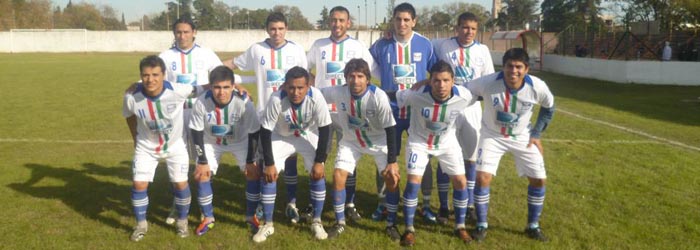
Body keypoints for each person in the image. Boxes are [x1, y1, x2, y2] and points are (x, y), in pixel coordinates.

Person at [224, 12, 309, 224]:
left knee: (290, 159)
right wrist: (219, 76)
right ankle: (263, 203)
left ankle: (291, 203)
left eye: (280, 28)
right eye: (273, 28)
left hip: (290, 113)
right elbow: (232, 65)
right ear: (267, 29)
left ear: (286, 28)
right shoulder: (256, 49)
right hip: (264, 115)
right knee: (264, 161)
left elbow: (306, 80)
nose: (276, 32)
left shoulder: (296, 50)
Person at [467, 48, 555, 242]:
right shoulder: (488, 82)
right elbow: (464, 90)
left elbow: (549, 107)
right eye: (509, 66)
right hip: (492, 135)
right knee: (482, 178)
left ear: (527, 69)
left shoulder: (537, 86)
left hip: (522, 137)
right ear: (503, 67)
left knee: (539, 179)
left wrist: (537, 133)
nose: (513, 71)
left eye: (518, 67)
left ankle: (532, 226)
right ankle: (481, 225)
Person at [392, 60, 477, 246]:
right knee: (413, 182)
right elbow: (392, 96)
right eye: (436, 80)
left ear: (453, 81)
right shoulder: (415, 94)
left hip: (447, 143)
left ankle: (460, 226)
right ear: (430, 81)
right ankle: (409, 229)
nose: (441, 85)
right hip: (419, 143)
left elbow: (482, 94)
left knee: (461, 181)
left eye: (446, 80)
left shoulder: (463, 95)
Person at [306, 5, 377, 223]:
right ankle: (314, 202)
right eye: (333, 20)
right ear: (329, 22)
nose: (337, 24)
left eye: (341, 20)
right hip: (323, 114)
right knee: (317, 157)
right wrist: (314, 94)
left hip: (348, 113)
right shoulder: (319, 45)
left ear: (348, 23)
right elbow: (306, 71)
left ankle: (349, 203)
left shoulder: (358, 47)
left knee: (348, 158)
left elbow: (370, 74)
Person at [368, 2, 437, 222]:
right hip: (390, 111)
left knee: (423, 158)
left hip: (418, 111)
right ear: (393, 21)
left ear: (414, 21)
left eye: (407, 19)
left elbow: (437, 70)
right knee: (385, 159)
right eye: (398, 19)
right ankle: (385, 204)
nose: (402, 23)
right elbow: (365, 65)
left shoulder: (425, 44)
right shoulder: (382, 44)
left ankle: (425, 205)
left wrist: (427, 80)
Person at [123, 55, 203, 241]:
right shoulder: (131, 97)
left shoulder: (178, 90)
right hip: (146, 146)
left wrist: (235, 87)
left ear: (164, 75)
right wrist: (135, 137)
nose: (150, 79)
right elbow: (129, 116)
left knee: (180, 184)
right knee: (139, 184)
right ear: (140, 76)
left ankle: (182, 222)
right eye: (146, 75)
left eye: (155, 74)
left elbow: (203, 89)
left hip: (175, 146)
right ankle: (141, 224)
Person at [319, 59, 400, 240]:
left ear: (368, 79)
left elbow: (390, 129)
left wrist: (392, 162)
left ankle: (391, 224)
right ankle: (340, 223)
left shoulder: (378, 96)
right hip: (351, 141)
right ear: (346, 78)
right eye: (351, 76)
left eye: (360, 76)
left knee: (392, 178)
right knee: (338, 175)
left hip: (379, 142)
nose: (356, 81)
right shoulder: (338, 92)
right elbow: (314, 94)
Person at [158, 17, 228, 226]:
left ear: (194, 32)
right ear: (174, 34)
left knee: (202, 157)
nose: (182, 36)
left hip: (202, 115)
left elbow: (222, 77)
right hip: (175, 115)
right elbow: (155, 81)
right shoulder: (165, 56)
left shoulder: (206, 54)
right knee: (176, 159)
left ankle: (202, 204)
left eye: (186, 32)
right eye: (178, 32)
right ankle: (178, 203)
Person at [254, 67, 332, 242]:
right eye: (291, 88)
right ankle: (267, 224)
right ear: (285, 86)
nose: (295, 92)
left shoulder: (316, 96)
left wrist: (320, 161)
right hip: (280, 136)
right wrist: (269, 163)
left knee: (318, 173)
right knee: (269, 175)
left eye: (300, 88)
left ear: (308, 86)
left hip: (306, 134)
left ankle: (317, 221)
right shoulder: (276, 98)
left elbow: (325, 129)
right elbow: (265, 131)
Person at [431, 12, 495, 224]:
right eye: (465, 27)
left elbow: (488, 81)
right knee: (444, 158)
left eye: (473, 29)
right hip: (447, 109)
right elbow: (416, 42)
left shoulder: (482, 50)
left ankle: (467, 205)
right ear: (457, 27)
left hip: (472, 110)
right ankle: (442, 206)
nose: (469, 32)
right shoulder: (442, 45)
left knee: (470, 159)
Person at [188, 66, 261, 236]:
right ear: (211, 86)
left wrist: (250, 161)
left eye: (226, 87)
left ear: (233, 86)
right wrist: (202, 161)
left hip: (240, 141)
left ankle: (252, 216)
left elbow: (253, 132)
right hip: (211, 142)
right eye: (217, 87)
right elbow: (196, 133)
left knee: (253, 173)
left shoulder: (244, 102)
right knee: (201, 174)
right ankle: (208, 218)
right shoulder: (201, 102)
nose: (221, 92)